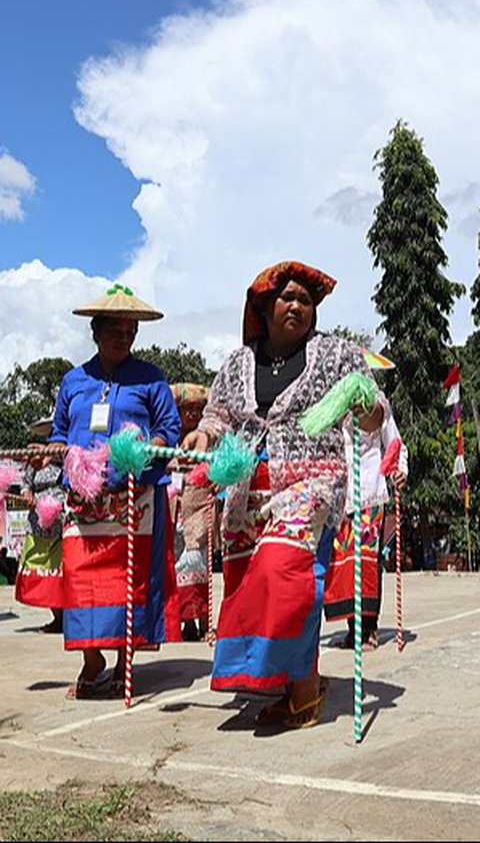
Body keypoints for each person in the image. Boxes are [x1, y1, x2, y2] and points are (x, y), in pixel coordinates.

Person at [182, 260, 384, 729]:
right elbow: (217, 417)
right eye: (287, 297)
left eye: (306, 300)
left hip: (311, 480)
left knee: (284, 571)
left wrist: (365, 404)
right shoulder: (238, 363)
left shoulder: (339, 356)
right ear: (263, 306)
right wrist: (204, 439)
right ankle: (287, 678)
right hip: (246, 487)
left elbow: (374, 417)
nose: (297, 305)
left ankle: (305, 687)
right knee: (248, 582)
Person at [48, 284, 182, 699]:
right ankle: (92, 661)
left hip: (134, 497)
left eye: (130, 331)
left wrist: (147, 449)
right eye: (115, 330)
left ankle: (126, 664)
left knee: (131, 581)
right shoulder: (73, 380)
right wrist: (55, 449)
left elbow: (170, 431)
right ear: (96, 331)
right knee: (82, 579)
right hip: (84, 501)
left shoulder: (151, 379)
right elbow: (58, 432)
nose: (123, 337)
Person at [323, 406, 408, 650]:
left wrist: (399, 470)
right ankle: (353, 631)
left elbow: (395, 444)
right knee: (342, 562)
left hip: (369, 490)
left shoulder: (377, 404)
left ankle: (369, 628)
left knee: (365, 561)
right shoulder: (333, 403)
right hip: (339, 494)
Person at [170, 383, 215, 642]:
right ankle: (185, 621)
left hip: (199, 509)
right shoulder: (168, 440)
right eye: (188, 409)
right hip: (175, 509)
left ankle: (204, 620)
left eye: (198, 410)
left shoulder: (208, 439)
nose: (193, 415)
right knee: (178, 566)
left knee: (197, 562)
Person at [15, 415, 64, 633]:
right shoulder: (35, 459)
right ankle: (56, 616)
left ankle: (64, 618)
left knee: (60, 571)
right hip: (37, 524)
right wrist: (28, 496)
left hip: (61, 522)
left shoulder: (66, 456)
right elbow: (25, 484)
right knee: (38, 568)